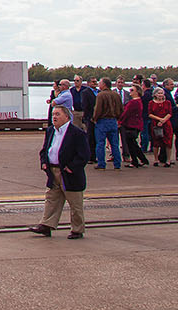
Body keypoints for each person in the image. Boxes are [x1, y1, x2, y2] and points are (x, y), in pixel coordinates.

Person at [28, 105, 89, 239]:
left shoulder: (77, 133)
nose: (54, 117)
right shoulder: (50, 131)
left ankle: (77, 230)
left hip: (69, 173)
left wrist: (71, 168)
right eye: (53, 114)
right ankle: (46, 225)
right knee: (51, 199)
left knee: (75, 203)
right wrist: (44, 162)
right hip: (52, 171)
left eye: (58, 114)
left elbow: (84, 155)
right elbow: (45, 150)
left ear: (67, 117)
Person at [90, 79, 124, 170]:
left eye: (100, 83)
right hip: (113, 121)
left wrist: (94, 118)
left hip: (102, 121)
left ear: (104, 84)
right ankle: (117, 163)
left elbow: (98, 109)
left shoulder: (100, 95)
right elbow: (121, 109)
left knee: (100, 143)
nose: (98, 85)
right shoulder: (116, 95)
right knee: (115, 144)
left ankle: (101, 163)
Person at [120, 83, 149, 168]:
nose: (130, 92)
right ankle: (140, 159)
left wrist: (120, 122)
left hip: (131, 125)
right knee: (133, 143)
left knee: (131, 143)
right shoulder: (137, 101)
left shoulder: (134, 102)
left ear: (137, 92)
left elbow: (126, 113)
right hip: (135, 124)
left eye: (132, 90)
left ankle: (137, 160)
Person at [147, 86, 175, 166]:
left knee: (168, 142)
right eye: (158, 93)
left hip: (166, 124)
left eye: (161, 93)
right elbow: (150, 114)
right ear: (155, 94)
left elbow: (170, 113)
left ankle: (168, 160)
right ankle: (156, 159)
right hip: (156, 123)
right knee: (156, 142)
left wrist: (163, 120)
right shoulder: (151, 103)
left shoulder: (167, 102)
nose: (160, 95)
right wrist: (159, 119)